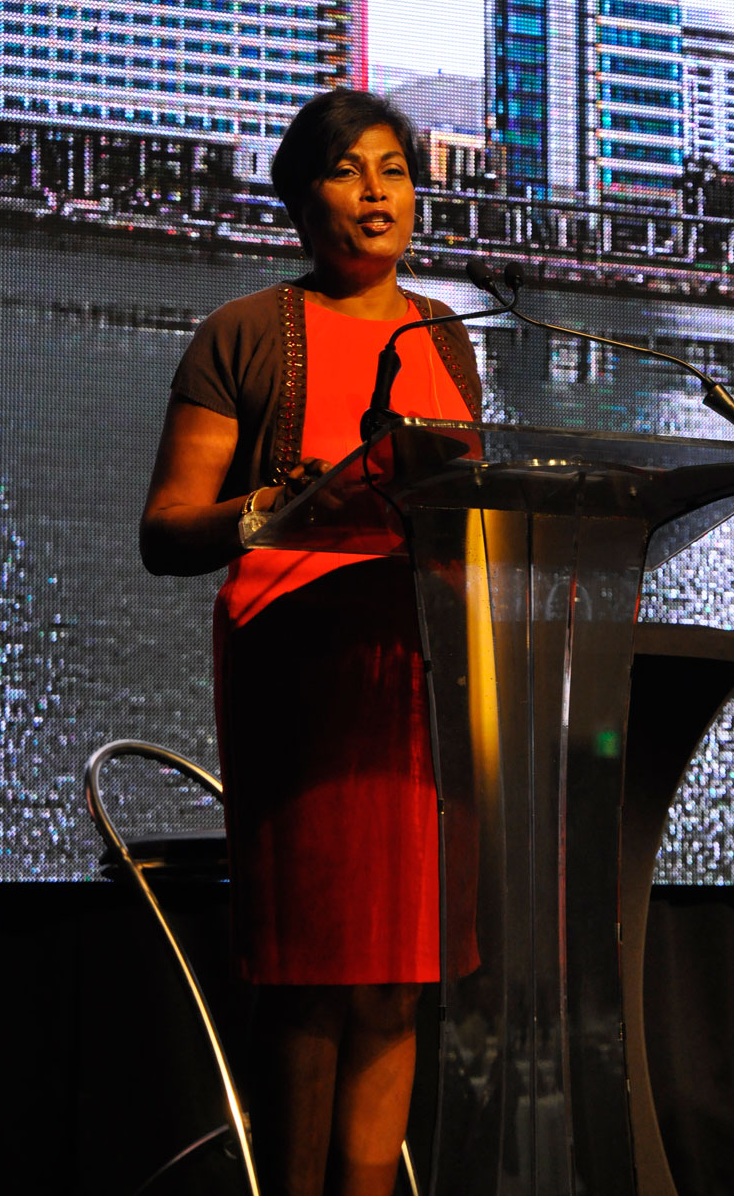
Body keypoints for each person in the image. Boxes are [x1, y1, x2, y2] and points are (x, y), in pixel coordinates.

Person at [140, 89, 481, 1196]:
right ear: (298, 197)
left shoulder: (445, 336)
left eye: (395, 169)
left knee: (397, 980)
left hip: (421, 677)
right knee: (311, 977)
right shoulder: (244, 332)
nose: (377, 192)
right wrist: (273, 505)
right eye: (347, 169)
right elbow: (166, 530)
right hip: (299, 674)